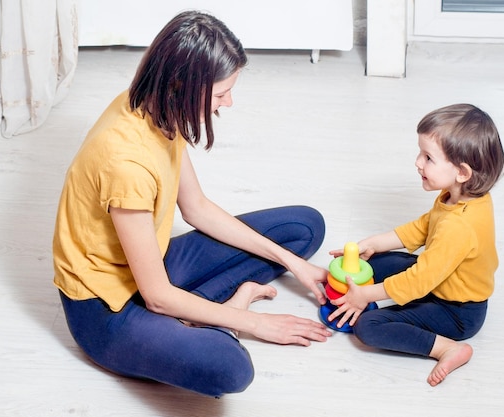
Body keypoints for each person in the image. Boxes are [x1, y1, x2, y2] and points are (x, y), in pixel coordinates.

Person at [52, 10, 331, 398]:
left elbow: (196, 207)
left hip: (151, 266)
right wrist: (254, 323)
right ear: (182, 85)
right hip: (107, 309)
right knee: (229, 368)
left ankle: (201, 313)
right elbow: (157, 296)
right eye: (221, 93)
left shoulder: (160, 109)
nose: (229, 102)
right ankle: (226, 308)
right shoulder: (126, 163)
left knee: (303, 228)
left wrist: (292, 262)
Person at [327, 103, 504, 386]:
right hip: (440, 279)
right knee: (374, 262)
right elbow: (423, 227)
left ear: (462, 172)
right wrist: (375, 242)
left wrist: (365, 296)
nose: (417, 162)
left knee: (369, 327)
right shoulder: (457, 196)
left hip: (457, 311)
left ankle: (448, 348)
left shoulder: (459, 226)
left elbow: (420, 281)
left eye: (428, 158)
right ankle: (367, 287)